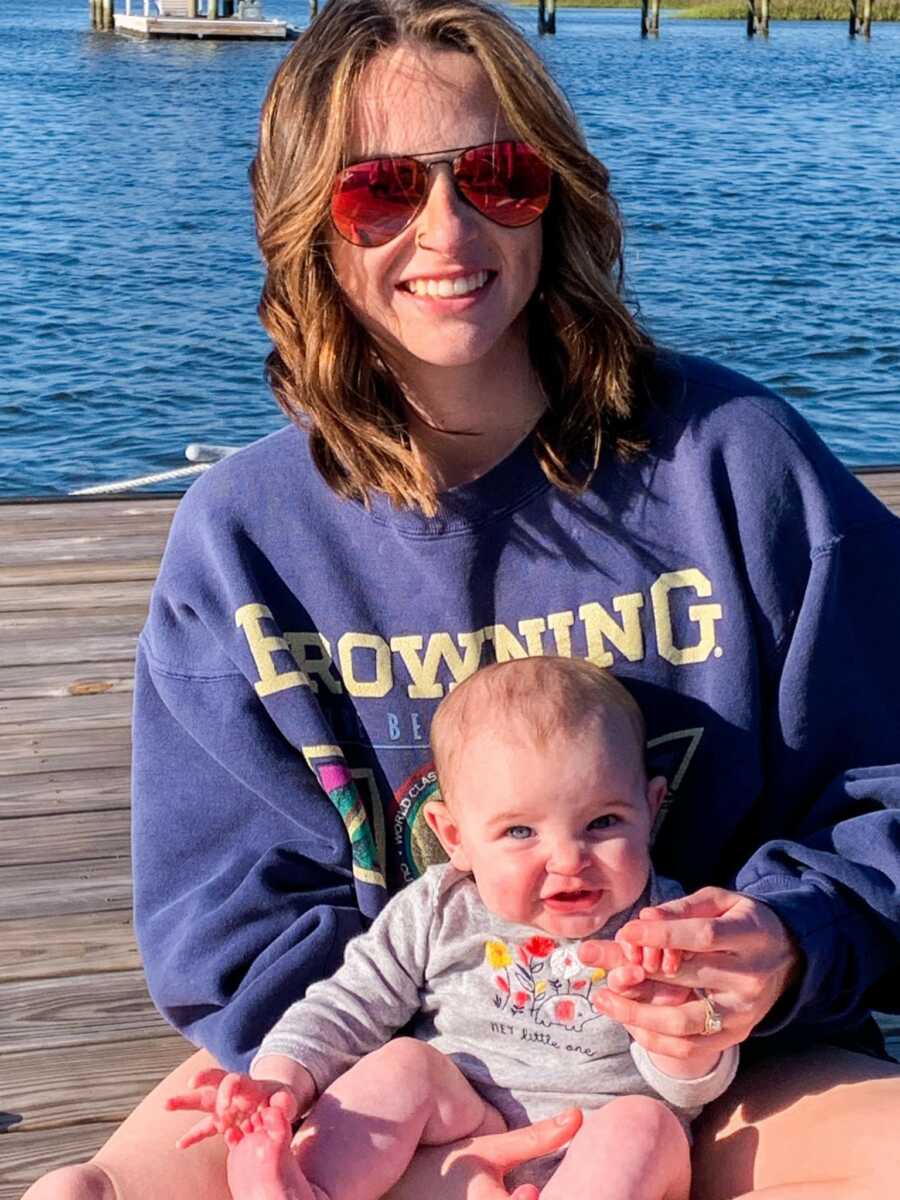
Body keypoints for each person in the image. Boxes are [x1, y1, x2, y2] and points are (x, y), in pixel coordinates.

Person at [23, 1, 900, 1199]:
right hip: (382, 1060)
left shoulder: (739, 463)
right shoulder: (243, 539)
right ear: (308, 231)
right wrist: (422, 1129)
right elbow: (227, 916)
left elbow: (882, 790)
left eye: (495, 174)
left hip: (719, 1062)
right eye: (379, 190)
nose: (447, 226)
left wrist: (785, 940)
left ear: (558, 195)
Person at [166, 658, 739, 1200]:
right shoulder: (439, 909)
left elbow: (694, 1091)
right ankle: (310, 1186)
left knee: (645, 1123)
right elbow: (349, 1005)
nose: (569, 857)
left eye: (603, 822)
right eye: (520, 832)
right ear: (453, 835)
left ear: (651, 807)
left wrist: (682, 1038)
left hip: (594, 1147)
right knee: (404, 1066)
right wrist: (280, 1082)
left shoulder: (668, 925)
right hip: (457, 1126)